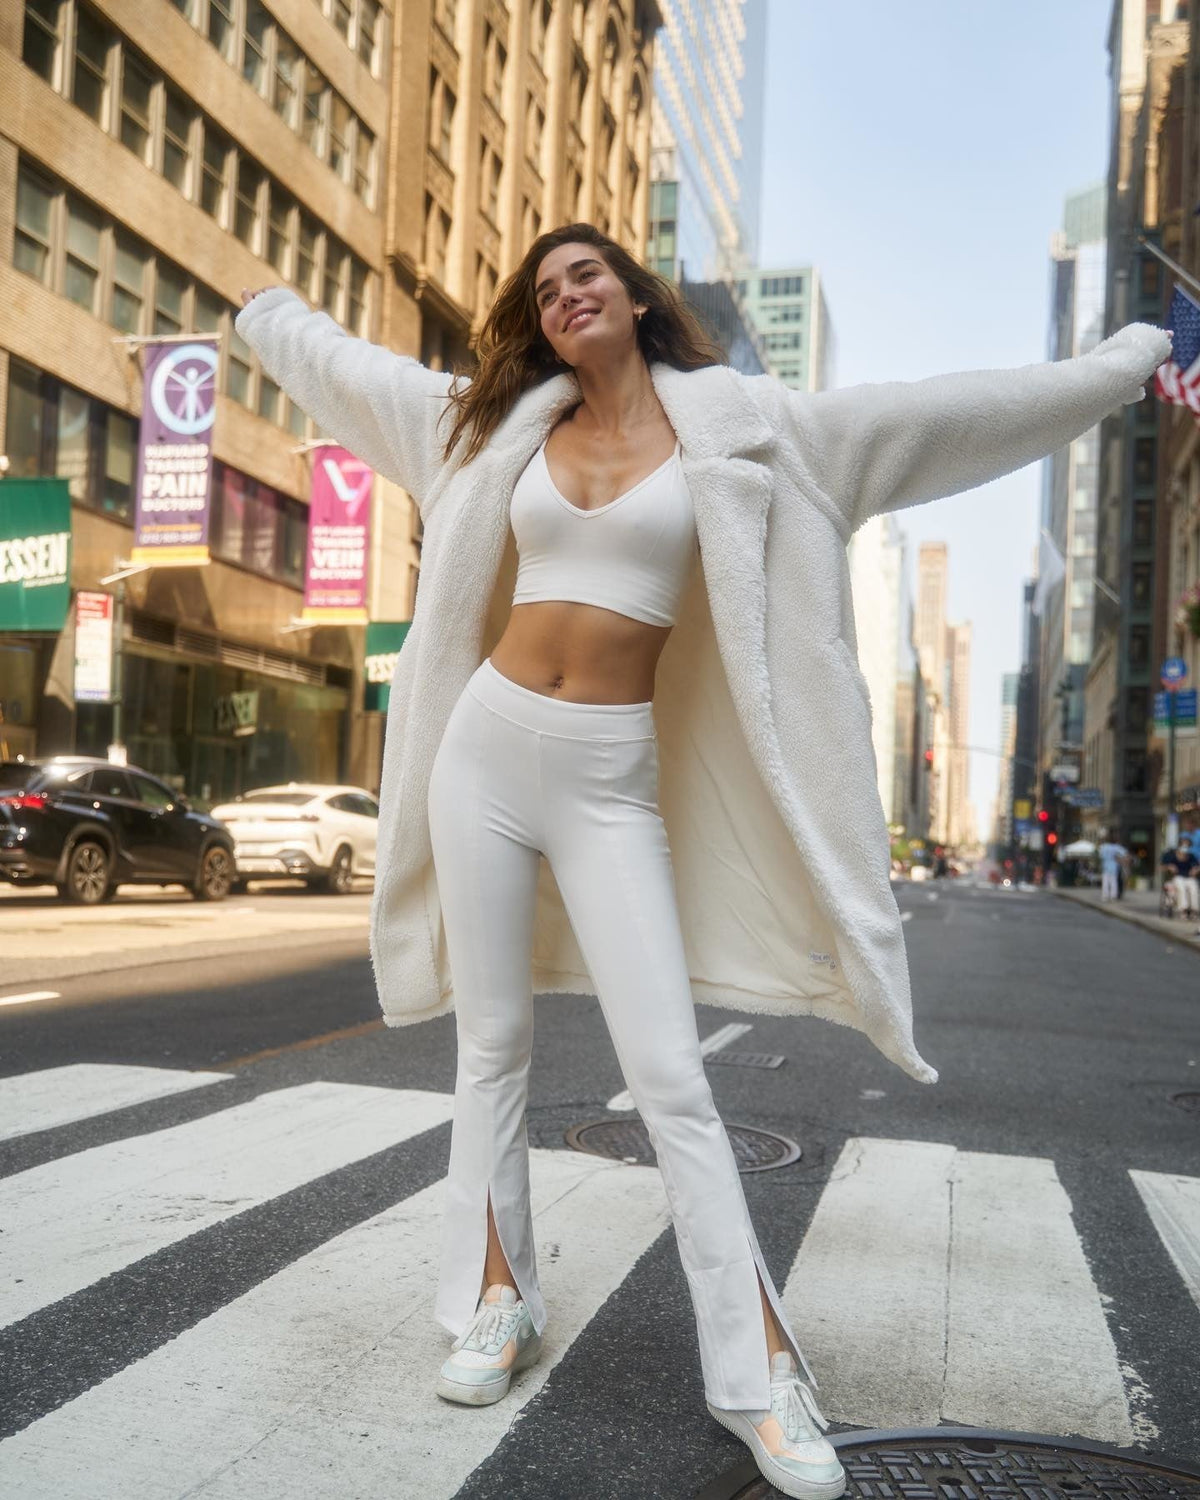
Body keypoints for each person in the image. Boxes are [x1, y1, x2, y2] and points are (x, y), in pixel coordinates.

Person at [236, 223, 1170, 1500]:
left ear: (633, 297)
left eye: (588, 275)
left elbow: (942, 415)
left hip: (613, 772)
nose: (567, 295)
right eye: (546, 286)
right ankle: (496, 1298)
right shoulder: (488, 425)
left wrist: (1121, 366)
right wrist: (266, 309)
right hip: (487, 751)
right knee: (491, 1049)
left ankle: (759, 1369)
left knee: (670, 1079)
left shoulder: (751, 429)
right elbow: (354, 374)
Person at [1161, 835, 1200, 920]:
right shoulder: (1172, 856)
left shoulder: (1191, 856)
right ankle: (1183, 910)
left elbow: (1197, 866)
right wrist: (1169, 867)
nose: (1186, 847)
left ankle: (1194, 910)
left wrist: (1195, 870)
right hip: (1177, 877)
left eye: (1187, 845)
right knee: (1181, 888)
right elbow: (1162, 867)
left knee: (1194, 888)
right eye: (1184, 844)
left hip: (1189, 877)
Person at [1098, 834, 1129, 902]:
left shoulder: (1103, 847)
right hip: (1113, 867)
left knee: (1105, 883)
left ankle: (1105, 896)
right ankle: (1113, 896)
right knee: (1113, 883)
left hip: (1105, 867)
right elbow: (1124, 853)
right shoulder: (1116, 847)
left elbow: (1100, 856)